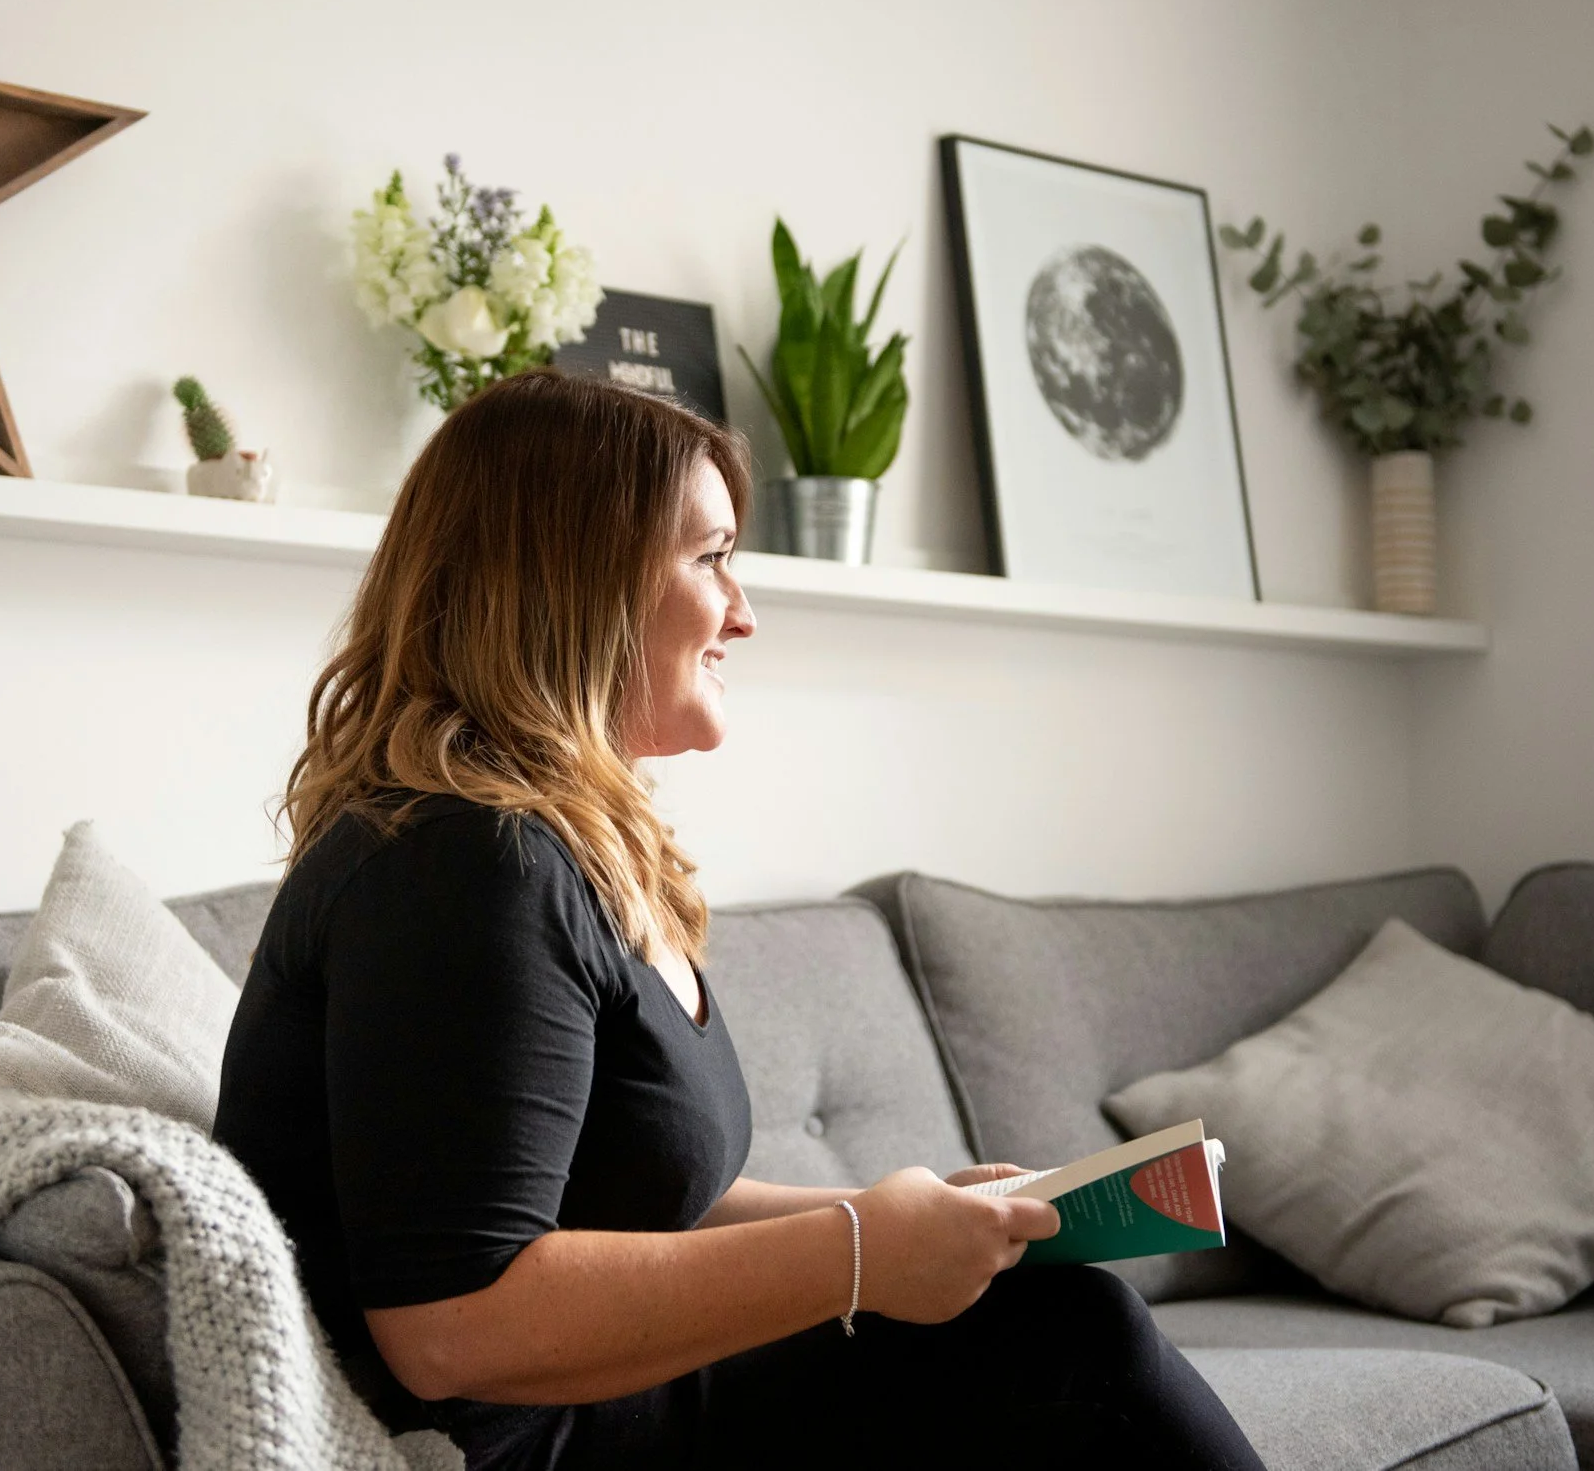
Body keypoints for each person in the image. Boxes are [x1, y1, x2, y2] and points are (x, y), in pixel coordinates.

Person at [214, 371, 1266, 1470]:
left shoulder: (545, 848)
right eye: (711, 556)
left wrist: (903, 1223)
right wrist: (858, 1252)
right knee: (1069, 1338)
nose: (745, 611)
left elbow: (645, 1207)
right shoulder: (461, 860)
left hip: (612, 1403)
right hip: (523, 1445)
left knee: (1040, 1318)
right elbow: (451, 1326)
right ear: (578, 578)